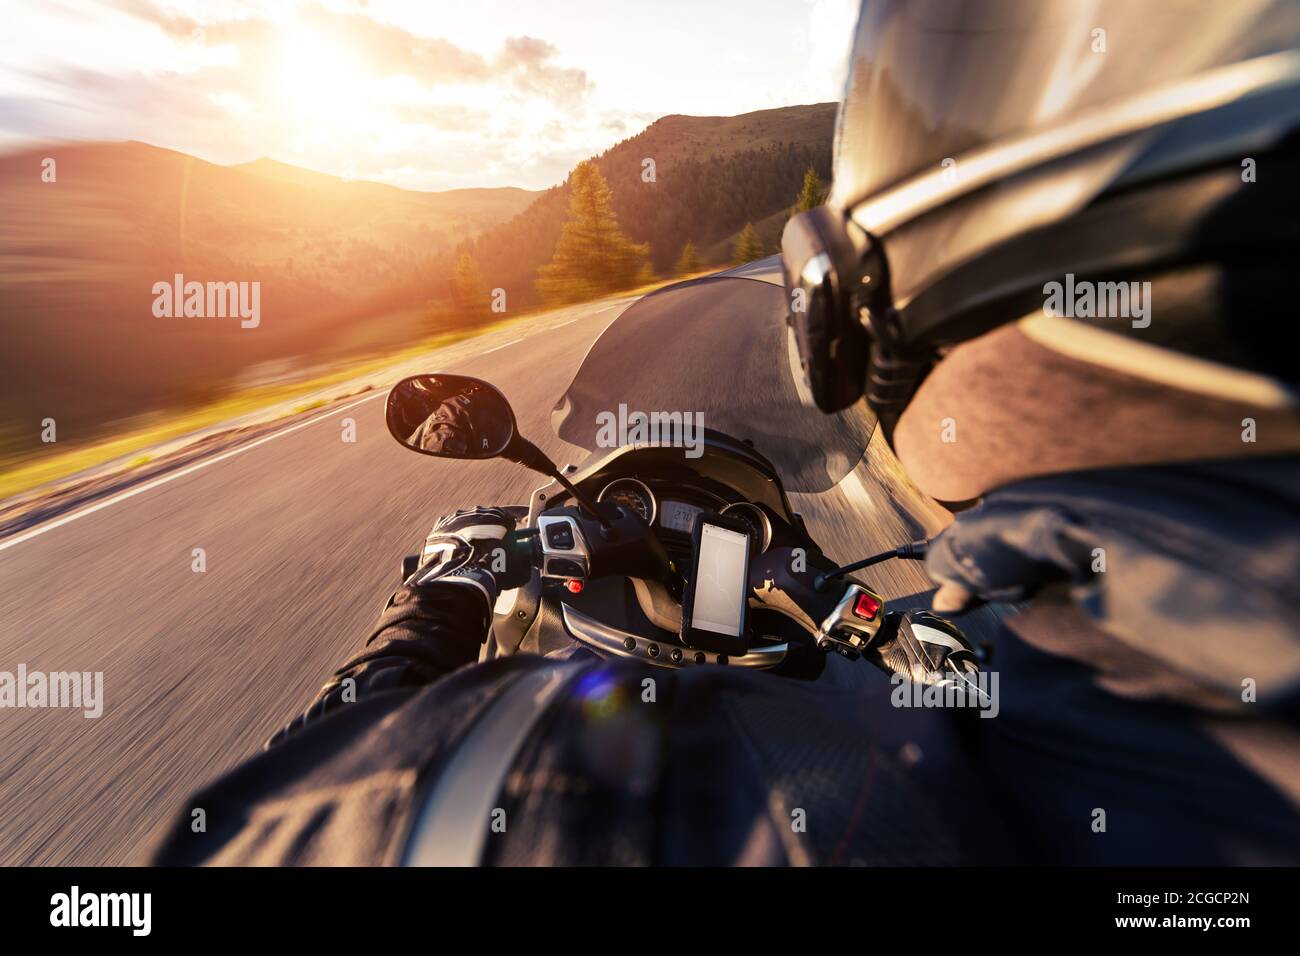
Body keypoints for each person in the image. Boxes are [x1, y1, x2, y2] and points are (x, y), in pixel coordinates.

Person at [150, 0, 1300, 865]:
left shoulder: (639, 804)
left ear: (859, 297)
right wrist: (870, 615)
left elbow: (257, 828)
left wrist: (429, 611)